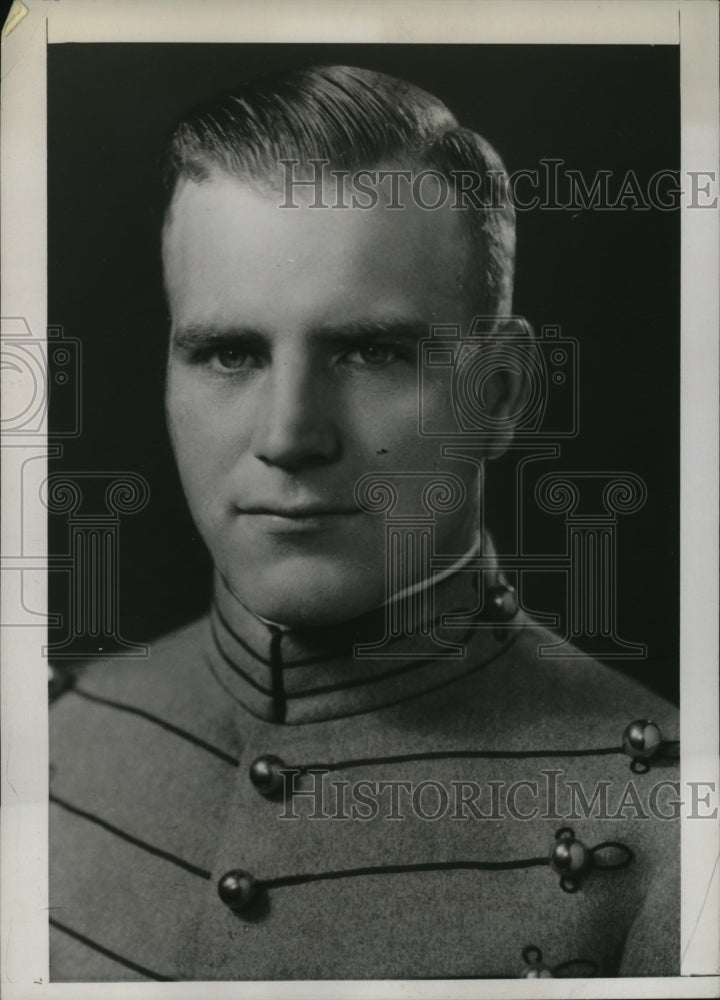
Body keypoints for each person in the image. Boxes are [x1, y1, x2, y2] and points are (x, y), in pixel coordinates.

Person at [49, 65, 679, 982]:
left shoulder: (667, 837)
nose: (289, 436)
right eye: (230, 353)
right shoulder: (62, 742)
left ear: (498, 393)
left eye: (371, 351)